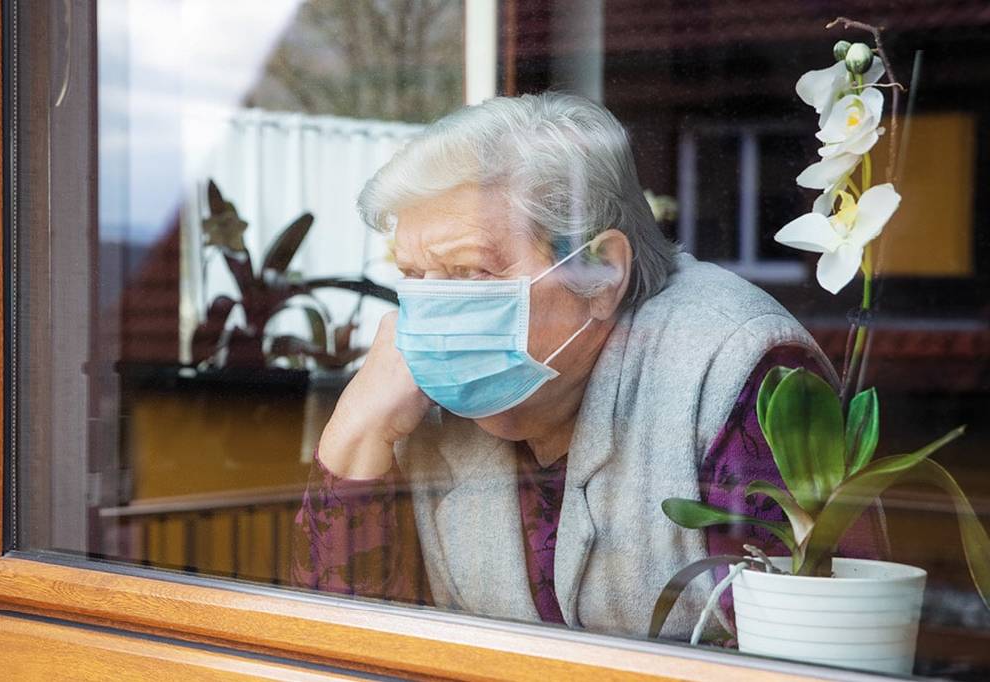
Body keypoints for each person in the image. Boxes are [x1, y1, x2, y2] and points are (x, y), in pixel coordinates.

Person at [291, 92, 873, 639]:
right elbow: (349, 646)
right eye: (414, 277)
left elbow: (814, 644)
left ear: (600, 272)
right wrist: (356, 431)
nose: (432, 316)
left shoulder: (733, 366)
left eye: (469, 272)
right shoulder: (419, 389)